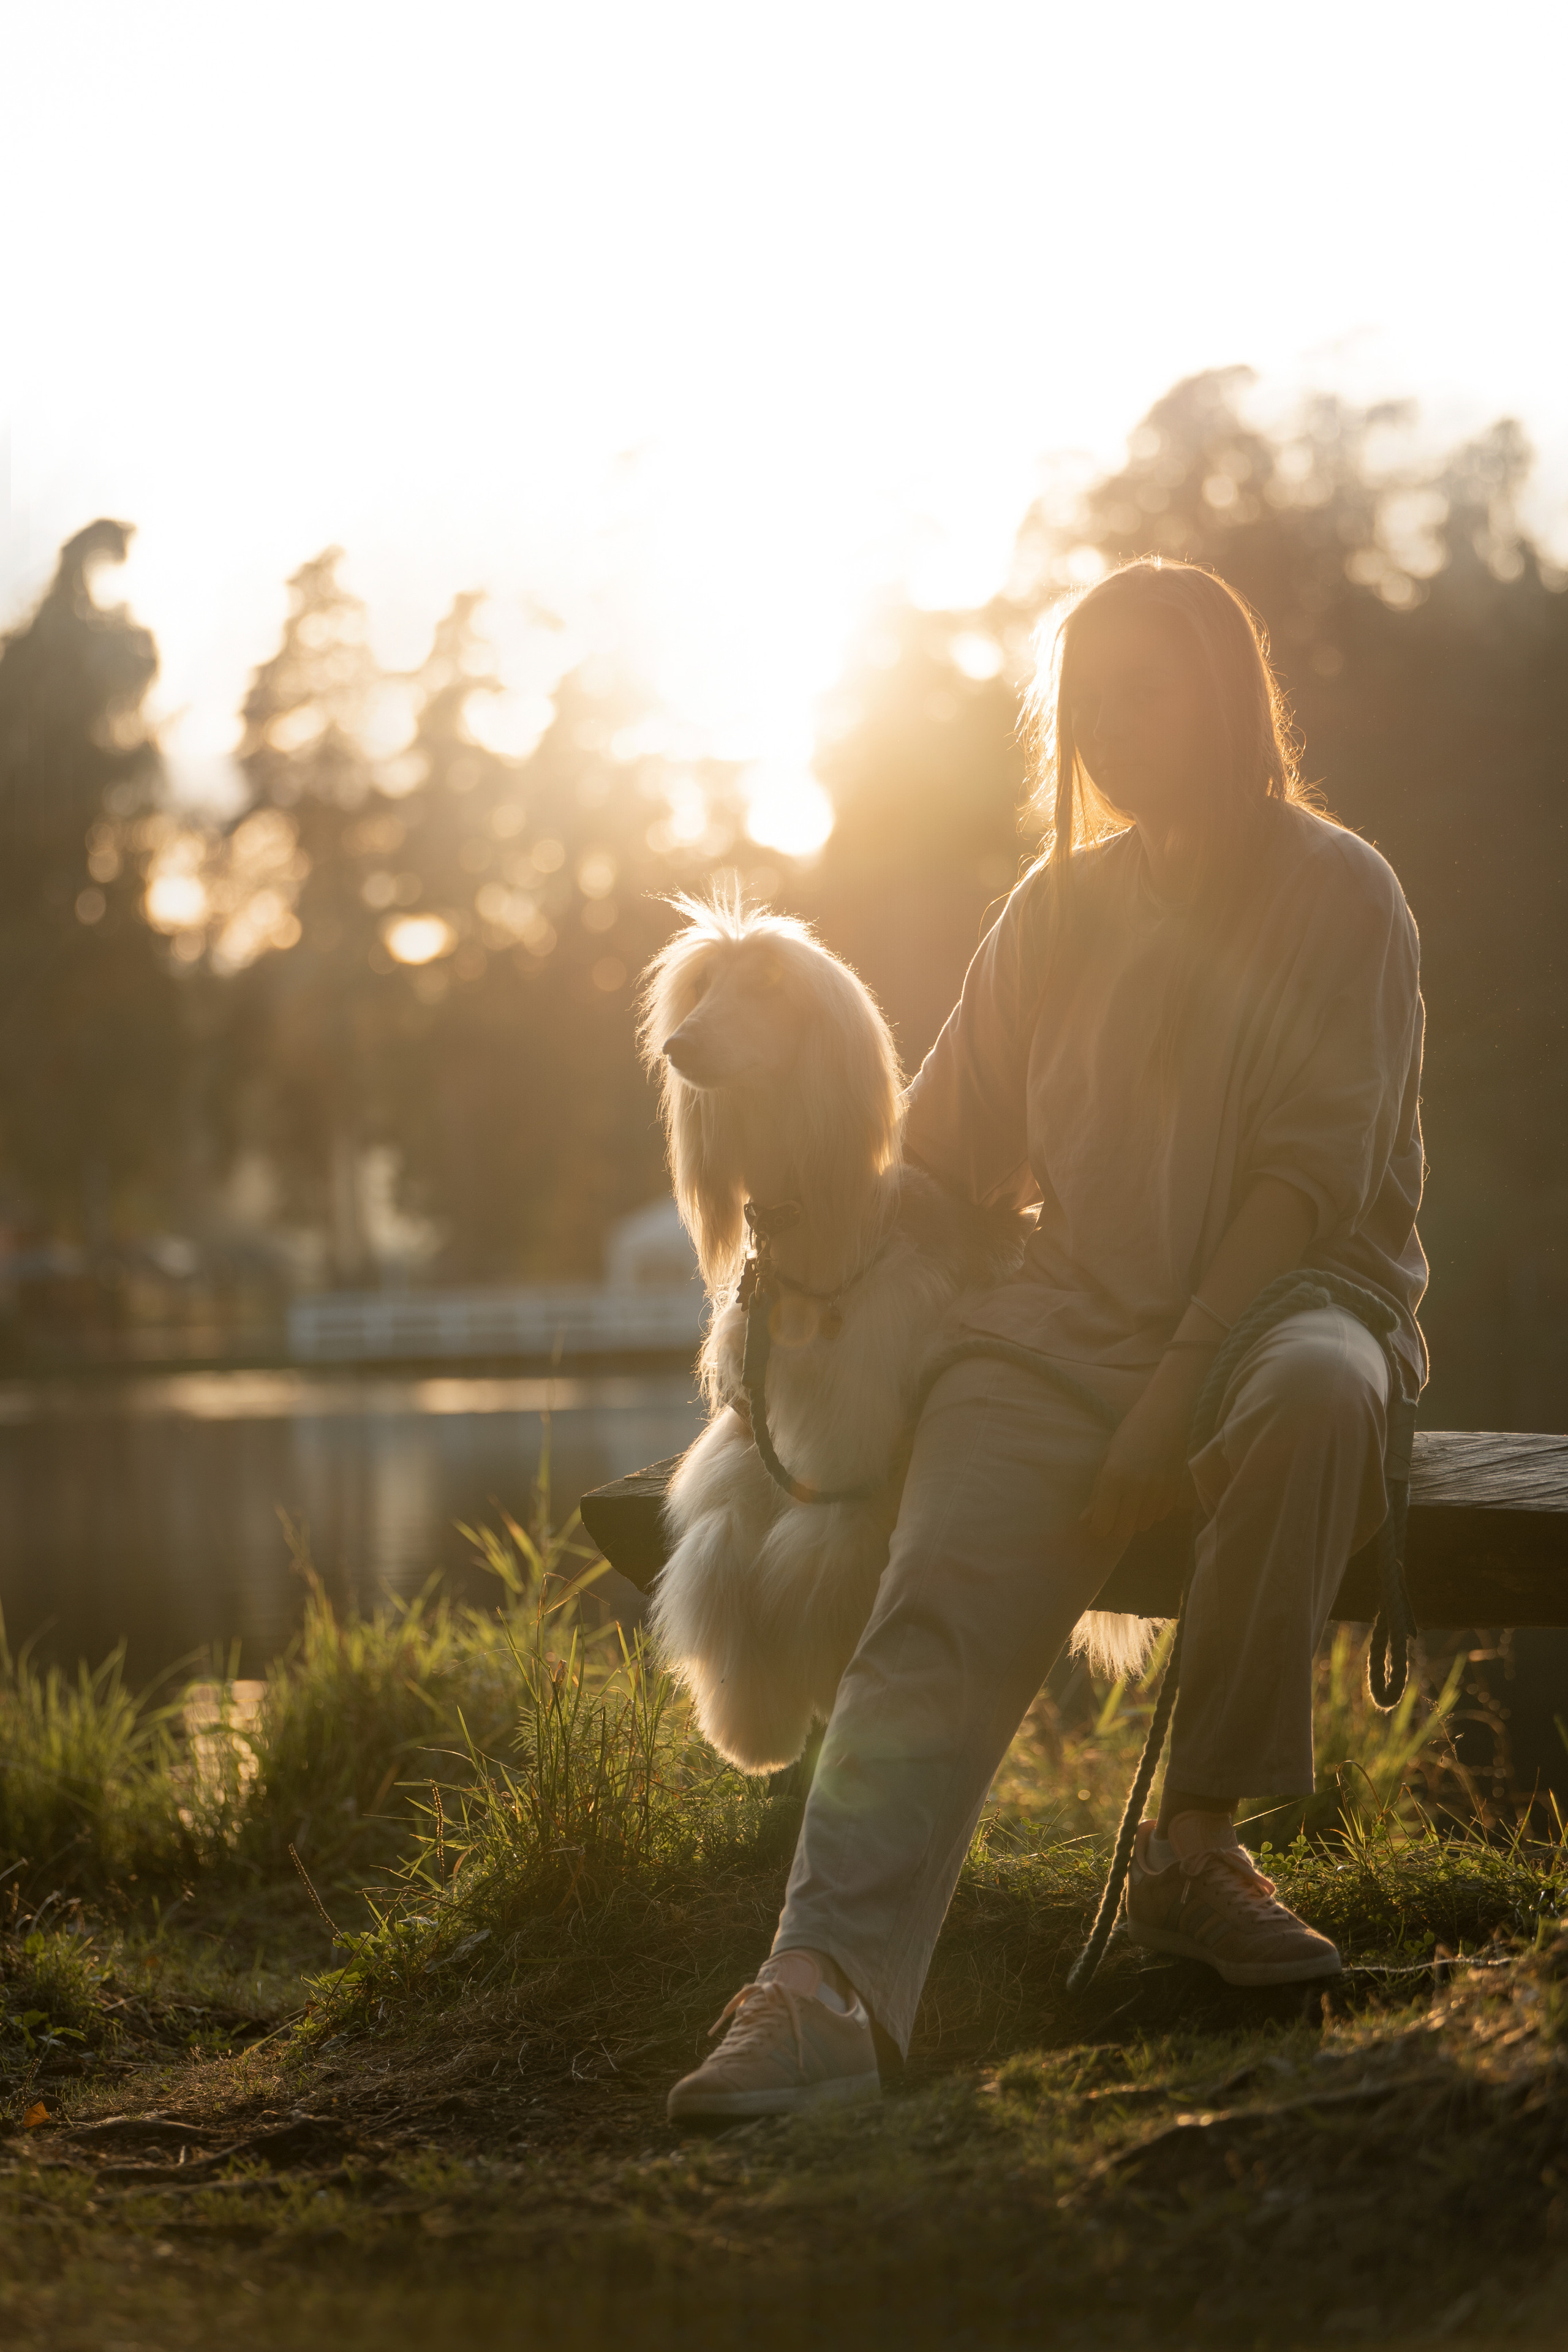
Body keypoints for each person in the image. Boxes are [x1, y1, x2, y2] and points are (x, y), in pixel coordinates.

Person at [667, 558, 1427, 2122]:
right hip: (1056, 1327)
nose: (1111, 726)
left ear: (1225, 694)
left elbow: (1308, 1177)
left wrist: (1169, 1393)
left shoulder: (1338, 893)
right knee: (932, 1606)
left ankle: (1194, 1847)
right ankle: (819, 1984)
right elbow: (938, 1162)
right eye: (1084, 701)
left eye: (1145, 688)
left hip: (1288, 1308)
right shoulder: (1053, 911)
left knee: (1310, 1398)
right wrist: (792, 1248)